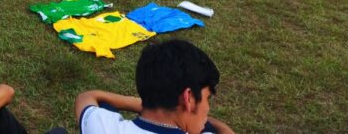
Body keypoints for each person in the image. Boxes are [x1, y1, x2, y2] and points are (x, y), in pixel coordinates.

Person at [75, 39, 234, 134]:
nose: (207, 109)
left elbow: (87, 97)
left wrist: (150, 103)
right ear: (189, 98)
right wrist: (205, 123)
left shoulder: (102, 127)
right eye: (207, 98)